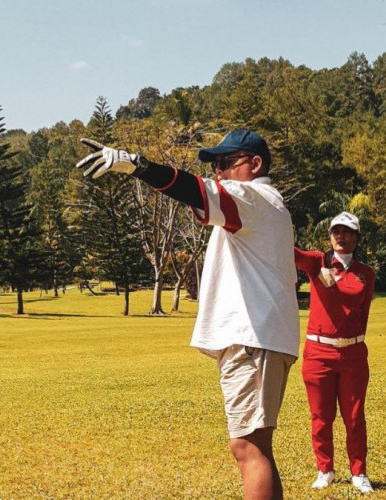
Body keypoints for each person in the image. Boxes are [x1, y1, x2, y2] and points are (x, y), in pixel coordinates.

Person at [77, 130, 300, 500]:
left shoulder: (252, 196)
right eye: (215, 165)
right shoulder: (265, 203)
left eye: (226, 163)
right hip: (258, 338)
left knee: (249, 449)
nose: (218, 172)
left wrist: (137, 165)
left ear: (255, 164)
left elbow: (193, 190)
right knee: (256, 447)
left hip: (251, 337)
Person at [294, 212, 375, 495]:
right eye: (336, 231)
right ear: (330, 236)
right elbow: (293, 254)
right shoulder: (317, 263)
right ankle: (325, 469)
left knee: (354, 417)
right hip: (318, 353)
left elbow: (363, 314)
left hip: (353, 353)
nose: (341, 236)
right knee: (321, 415)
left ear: (357, 237)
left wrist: (352, 339)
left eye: (348, 231)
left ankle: (359, 472)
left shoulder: (365, 273)